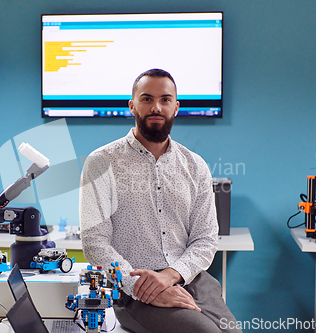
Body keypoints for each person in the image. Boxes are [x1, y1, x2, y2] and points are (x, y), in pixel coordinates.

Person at [79, 69, 241, 333]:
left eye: (165, 100)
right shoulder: (101, 163)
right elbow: (95, 243)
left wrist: (170, 276)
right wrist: (144, 289)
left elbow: (206, 238)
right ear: (132, 105)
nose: (156, 107)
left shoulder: (195, 166)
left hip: (192, 280)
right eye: (147, 99)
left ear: (176, 107)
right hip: (133, 292)